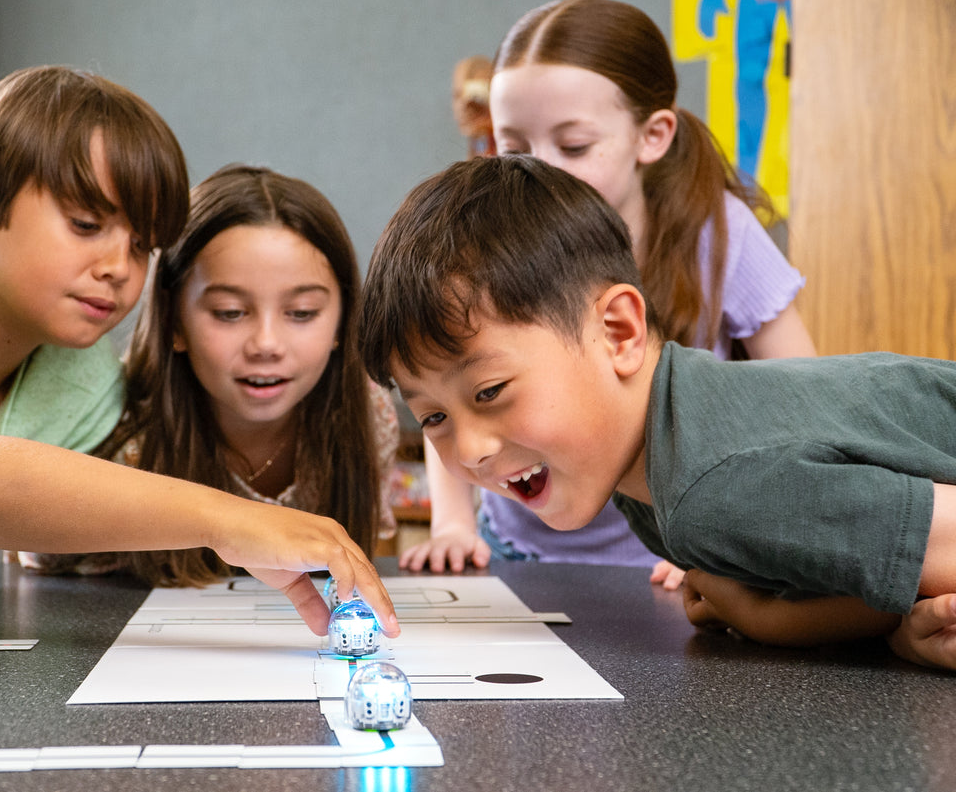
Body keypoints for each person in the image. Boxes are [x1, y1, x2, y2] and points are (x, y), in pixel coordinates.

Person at [0, 66, 399, 639]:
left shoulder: (84, 383)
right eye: (86, 225)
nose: (119, 267)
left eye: (143, 244)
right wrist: (226, 518)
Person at [357, 154, 956, 670]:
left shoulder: (711, 483)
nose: (469, 450)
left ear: (619, 332)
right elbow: (877, 577)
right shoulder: (646, 478)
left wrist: (766, 616)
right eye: (433, 418)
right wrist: (776, 613)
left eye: (489, 391)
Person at [404, 0, 816, 586]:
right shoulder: (489, 243)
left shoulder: (716, 234)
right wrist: (452, 526)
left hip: (667, 564)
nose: (540, 171)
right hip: (519, 553)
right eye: (515, 148)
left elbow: (801, 401)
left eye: (572, 146)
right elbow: (447, 396)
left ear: (652, 136)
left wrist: (720, 540)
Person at [16, 164, 399, 586]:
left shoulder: (369, 413)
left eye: (302, 313)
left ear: (342, 324)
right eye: (229, 313)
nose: (266, 344)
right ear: (174, 322)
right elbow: (37, 550)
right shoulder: (113, 426)